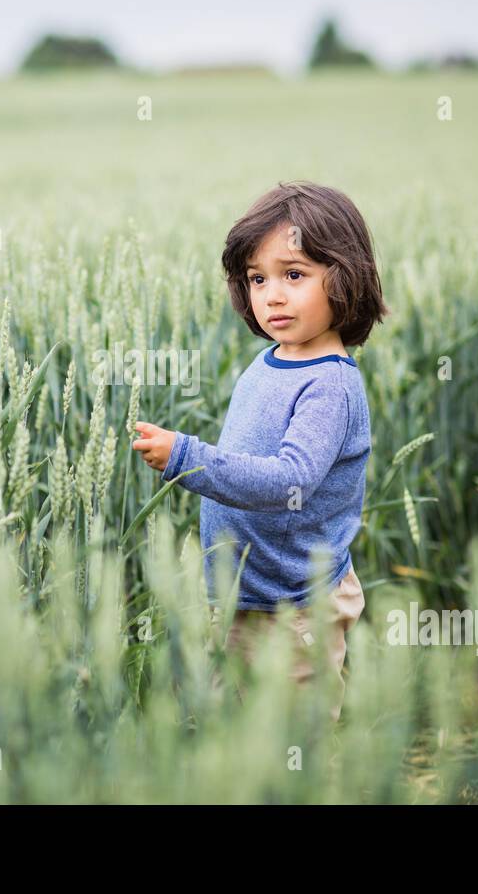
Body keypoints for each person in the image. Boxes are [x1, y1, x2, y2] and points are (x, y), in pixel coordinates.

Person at [132, 179, 388, 724]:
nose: (272, 294)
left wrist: (187, 458)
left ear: (345, 278)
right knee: (240, 738)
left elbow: (286, 482)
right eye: (257, 278)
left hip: (297, 605)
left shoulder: (329, 386)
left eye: (294, 275)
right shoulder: (273, 359)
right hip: (244, 595)